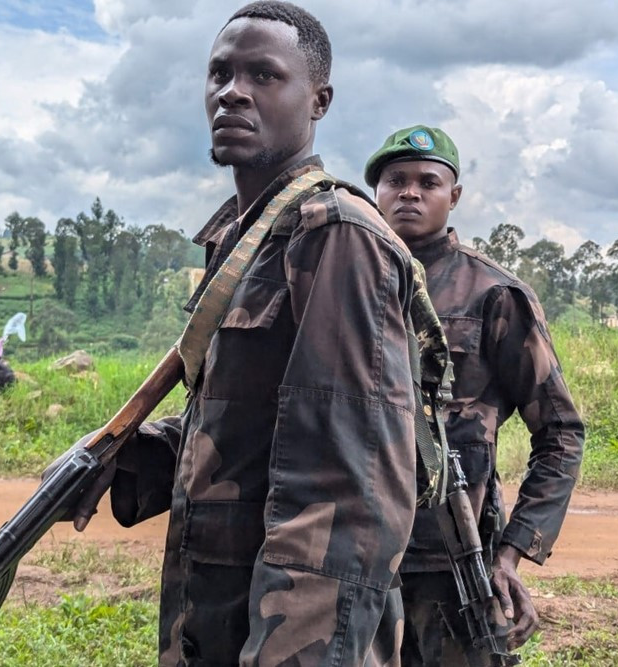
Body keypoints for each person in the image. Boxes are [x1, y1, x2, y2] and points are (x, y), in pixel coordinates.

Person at [54, 3, 428, 664]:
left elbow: (350, 491)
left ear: (318, 100)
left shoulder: (335, 234)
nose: (233, 91)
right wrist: (129, 456)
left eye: (264, 75)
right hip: (219, 623)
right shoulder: (244, 236)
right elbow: (251, 426)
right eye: (219, 73)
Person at [364, 125, 585, 666]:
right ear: (377, 192)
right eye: (395, 180)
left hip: (452, 560)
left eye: (427, 182)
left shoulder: (494, 295)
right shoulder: (347, 284)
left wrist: (511, 553)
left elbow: (560, 432)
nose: (409, 193)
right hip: (355, 556)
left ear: (453, 196)